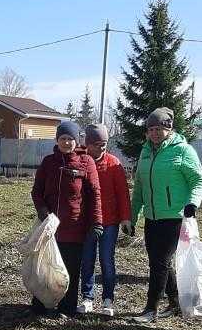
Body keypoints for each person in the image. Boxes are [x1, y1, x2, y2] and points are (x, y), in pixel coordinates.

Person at [129, 107, 202, 323]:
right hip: (152, 218)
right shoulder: (146, 152)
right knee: (159, 262)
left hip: (174, 217)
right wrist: (132, 216)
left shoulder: (183, 150)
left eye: (159, 128)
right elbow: (139, 189)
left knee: (159, 263)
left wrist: (192, 203)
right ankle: (174, 302)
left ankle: (150, 309)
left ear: (169, 128)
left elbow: (200, 180)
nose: (154, 133)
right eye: (151, 129)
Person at [31, 121, 103, 318]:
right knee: (46, 267)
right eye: (63, 138)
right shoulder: (48, 163)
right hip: (50, 227)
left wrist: (96, 222)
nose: (67, 142)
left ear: (76, 140)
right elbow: (36, 192)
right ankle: (42, 305)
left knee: (69, 269)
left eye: (71, 139)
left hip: (75, 227)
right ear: (57, 140)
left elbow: (95, 194)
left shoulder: (86, 162)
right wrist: (43, 211)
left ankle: (66, 308)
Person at [79, 123, 131, 316]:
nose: (101, 148)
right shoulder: (81, 161)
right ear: (88, 144)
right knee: (87, 259)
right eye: (97, 144)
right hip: (88, 221)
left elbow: (123, 194)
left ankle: (108, 299)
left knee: (107, 260)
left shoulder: (113, 163)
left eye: (104, 144)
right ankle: (87, 297)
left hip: (110, 222)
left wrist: (126, 218)